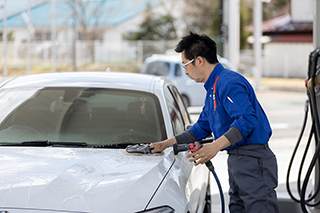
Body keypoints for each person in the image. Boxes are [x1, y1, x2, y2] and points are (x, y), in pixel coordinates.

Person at [150, 32, 279, 213]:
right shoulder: (213, 87)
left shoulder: (228, 82)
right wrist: (166, 144)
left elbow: (247, 119)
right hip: (238, 160)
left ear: (200, 61)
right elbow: (201, 128)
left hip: (253, 159)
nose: (185, 71)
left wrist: (214, 147)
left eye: (185, 64)